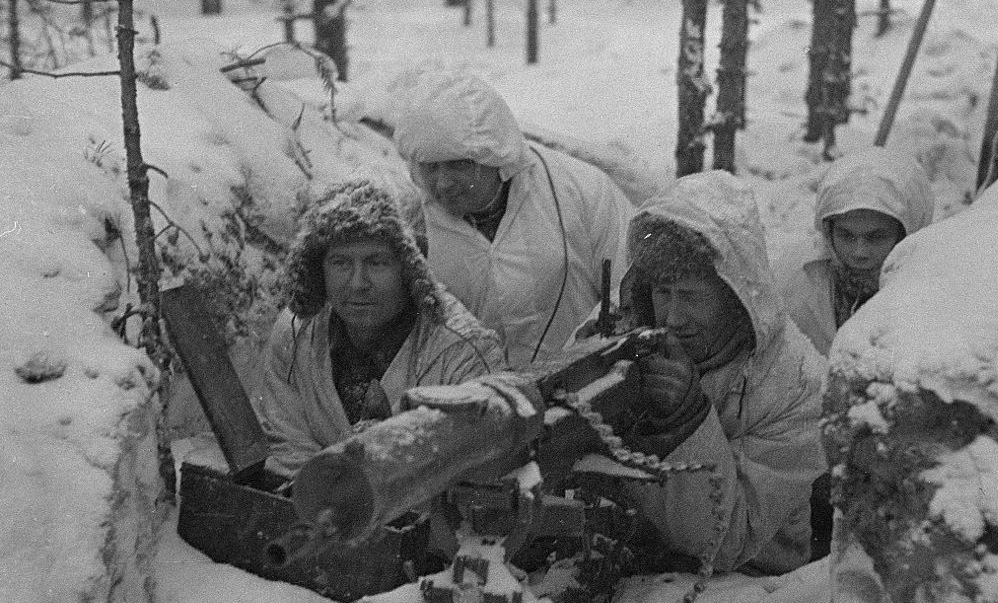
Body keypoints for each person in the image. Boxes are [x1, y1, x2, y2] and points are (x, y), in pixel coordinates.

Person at [616, 170, 827, 575]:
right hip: (633, 569)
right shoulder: (624, 334)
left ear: (735, 297)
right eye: (663, 293)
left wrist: (686, 422)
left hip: (752, 591)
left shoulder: (795, 385)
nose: (673, 317)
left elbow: (730, 540)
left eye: (692, 297)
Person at [258, 180, 506, 477]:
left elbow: (478, 470)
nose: (357, 283)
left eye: (377, 262)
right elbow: (286, 445)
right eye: (340, 262)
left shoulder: (461, 353)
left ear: (411, 268)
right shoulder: (295, 333)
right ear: (318, 266)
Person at [391, 70, 634, 366]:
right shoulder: (411, 222)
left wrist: (593, 340)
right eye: (430, 167)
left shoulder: (581, 190)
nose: (442, 183)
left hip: (582, 382)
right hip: (470, 399)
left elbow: (632, 282)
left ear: (494, 158)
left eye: (458, 165)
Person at [776, 147, 935, 356]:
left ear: (907, 234)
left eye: (876, 237)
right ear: (828, 231)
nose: (859, 253)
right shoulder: (792, 277)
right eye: (846, 235)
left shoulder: (933, 294)